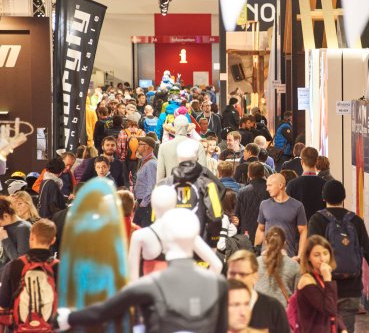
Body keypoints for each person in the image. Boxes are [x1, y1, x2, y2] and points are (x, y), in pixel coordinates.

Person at [58, 208, 228, 332]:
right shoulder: (219, 283)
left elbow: (104, 311)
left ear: (165, 238)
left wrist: (68, 318)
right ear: (195, 236)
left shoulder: (150, 284)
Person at [308, 180, 369, 332]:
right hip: (351, 289)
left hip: (324, 287)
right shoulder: (355, 221)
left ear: (324, 197)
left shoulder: (317, 220)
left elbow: (311, 255)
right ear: (343, 197)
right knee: (346, 329)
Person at [0, 219, 57, 315]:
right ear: (53, 240)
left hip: (19, 327)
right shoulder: (59, 267)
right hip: (50, 326)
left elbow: (3, 304)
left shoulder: (13, 266)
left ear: (31, 237)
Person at [227, 250, 290, 333]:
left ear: (255, 276)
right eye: (232, 273)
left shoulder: (273, 308)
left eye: (242, 274)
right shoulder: (216, 306)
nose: (236, 278)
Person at [297, 235, 346, 333]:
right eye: (317, 255)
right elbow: (329, 309)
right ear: (308, 257)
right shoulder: (307, 280)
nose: (322, 258)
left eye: (325, 253)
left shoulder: (321, 277)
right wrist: (328, 279)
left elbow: (334, 310)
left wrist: (342, 328)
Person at [255, 174, 307, 260]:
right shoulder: (264, 204)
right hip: (266, 257)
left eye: (270, 185)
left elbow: (303, 231)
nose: (267, 189)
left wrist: (300, 256)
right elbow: (260, 229)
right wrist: (256, 252)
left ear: (280, 185)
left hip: (288, 257)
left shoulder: (297, 206)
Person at [255, 226, 300, 308]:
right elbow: (297, 297)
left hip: (259, 313)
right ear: (285, 243)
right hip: (284, 315)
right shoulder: (294, 266)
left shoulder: (256, 263)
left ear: (265, 242)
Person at [156, 115, 207, 184]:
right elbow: (203, 172)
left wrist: (159, 191)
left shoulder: (163, 147)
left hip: (171, 189)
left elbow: (160, 175)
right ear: (187, 127)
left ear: (174, 127)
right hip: (192, 189)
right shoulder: (198, 145)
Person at [286, 147, 326, 221]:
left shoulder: (292, 184)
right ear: (317, 162)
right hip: (319, 227)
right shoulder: (325, 184)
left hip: (298, 227)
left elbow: (287, 210)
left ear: (301, 162)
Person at [235, 163, 269, 244]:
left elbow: (237, 214)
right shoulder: (270, 190)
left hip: (247, 231)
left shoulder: (242, 191)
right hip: (267, 230)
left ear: (249, 174)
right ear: (263, 173)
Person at [0, 197, 31, 274]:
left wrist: (5, 239)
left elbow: (21, 263)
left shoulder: (23, 228)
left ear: (6, 216)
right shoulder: (7, 227)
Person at [133, 137, 158, 227]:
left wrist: (143, 205)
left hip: (146, 205)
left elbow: (152, 187)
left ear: (147, 147)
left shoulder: (151, 164)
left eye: (140, 144)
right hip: (143, 203)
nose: (137, 146)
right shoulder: (145, 162)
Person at [217, 189, 239, 254]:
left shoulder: (224, 217)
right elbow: (221, 245)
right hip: (224, 257)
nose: (235, 202)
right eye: (234, 199)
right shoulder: (224, 218)